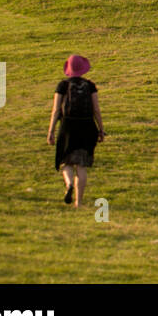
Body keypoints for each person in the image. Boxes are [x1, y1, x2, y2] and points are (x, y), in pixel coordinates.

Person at [48, 54, 104, 207]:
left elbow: (55, 110)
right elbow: (96, 110)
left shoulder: (62, 86)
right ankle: (78, 202)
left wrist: (51, 131)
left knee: (65, 162)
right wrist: (101, 129)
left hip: (68, 126)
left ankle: (69, 184)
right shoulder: (90, 86)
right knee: (81, 165)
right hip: (87, 126)